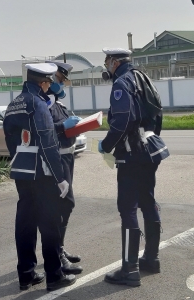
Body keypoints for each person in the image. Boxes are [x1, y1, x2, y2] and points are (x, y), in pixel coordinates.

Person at [97, 48, 169, 287]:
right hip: (150, 150)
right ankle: (151, 258)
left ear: (115, 62)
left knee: (127, 208)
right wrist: (149, 137)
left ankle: (130, 269)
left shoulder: (122, 83)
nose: (106, 64)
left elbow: (122, 120)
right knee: (148, 201)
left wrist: (106, 145)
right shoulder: (144, 77)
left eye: (107, 61)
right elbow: (158, 112)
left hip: (131, 154)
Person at [3, 63, 77, 291]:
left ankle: (26, 274)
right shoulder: (38, 104)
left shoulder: (14, 103)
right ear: (43, 83)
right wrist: (60, 178)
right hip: (42, 173)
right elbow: (47, 144)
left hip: (22, 170)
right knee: (50, 223)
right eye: (48, 83)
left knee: (25, 223)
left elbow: (10, 140)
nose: (49, 88)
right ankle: (54, 276)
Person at [45, 61, 83, 275]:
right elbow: (47, 131)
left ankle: (59, 248)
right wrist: (64, 126)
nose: (62, 85)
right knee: (61, 206)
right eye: (59, 80)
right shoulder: (46, 104)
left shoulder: (58, 104)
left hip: (67, 160)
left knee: (65, 206)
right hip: (56, 162)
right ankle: (56, 253)